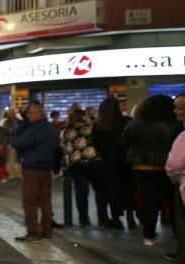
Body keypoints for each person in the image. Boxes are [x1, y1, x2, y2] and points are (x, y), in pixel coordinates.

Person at [122, 94, 179, 247]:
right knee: (173, 202)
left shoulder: (135, 124)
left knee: (149, 202)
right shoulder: (176, 125)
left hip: (143, 168)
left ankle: (149, 236)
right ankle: (178, 233)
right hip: (169, 167)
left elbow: (124, 142)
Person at [12, 101, 59, 241]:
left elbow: (18, 143)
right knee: (45, 201)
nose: (29, 116)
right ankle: (46, 230)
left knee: (29, 200)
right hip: (46, 168)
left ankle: (33, 232)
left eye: (31, 113)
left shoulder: (35, 128)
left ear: (40, 113)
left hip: (32, 167)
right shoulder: (51, 129)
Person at [61, 108, 108, 227]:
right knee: (100, 191)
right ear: (84, 116)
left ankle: (83, 219)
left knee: (81, 193)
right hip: (94, 162)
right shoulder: (92, 128)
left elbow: (66, 149)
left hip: (77, 165)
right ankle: (102, 217)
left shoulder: (66, 131)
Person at [93, 96, 133, 230]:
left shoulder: (99, 126)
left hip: (108, 163)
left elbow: (96, 145)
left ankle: (115, 218)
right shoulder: (127, 122)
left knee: (112, 191)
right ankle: (130, 216)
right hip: (126, 161)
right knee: (128, 188)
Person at [165, 93, 185, 264]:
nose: (175, 111)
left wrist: (176, 178)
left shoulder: (182, 136)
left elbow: (174, 164)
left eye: (179, 108)